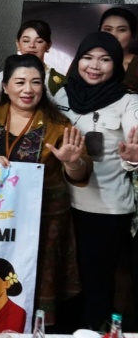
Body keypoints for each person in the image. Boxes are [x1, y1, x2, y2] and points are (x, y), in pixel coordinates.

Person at [0, 54, 90, 327]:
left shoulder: (59, 125)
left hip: (43, 221)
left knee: (36, 283)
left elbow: (81, 175)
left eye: (36, 82)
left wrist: (72, 162)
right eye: (20, 82)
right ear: (5, 86)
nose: (28, 89)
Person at [53, 32, 138, 330]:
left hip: (105, 210)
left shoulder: (128, 102)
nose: (94, 66)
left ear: (116, 64)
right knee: (62, 279)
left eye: (105, 60)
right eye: (88, 58)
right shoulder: (62, 95)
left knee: (96, 282)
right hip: (61, 205)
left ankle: (91, 332)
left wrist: (133, 157)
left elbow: (134, 142)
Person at [0, 20, 64, 96]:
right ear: (18, 44)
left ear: (48, 46)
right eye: (26, 41)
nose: (32, 45)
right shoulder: (1, 78)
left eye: (39, 41)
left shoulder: (59, 82)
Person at [98, 7, 137, 90]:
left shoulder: (135, 64)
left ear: (133, 34)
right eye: (108, 29)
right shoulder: (84, 60)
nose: (114, 35)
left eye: (122, 30)